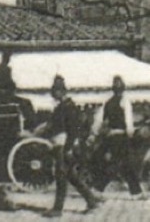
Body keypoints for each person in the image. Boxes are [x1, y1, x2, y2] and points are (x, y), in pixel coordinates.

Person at [36, 75, 102, 218]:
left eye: (56, 91)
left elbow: (72, 130)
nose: (54, 94)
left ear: (61, 91)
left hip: (64, 145)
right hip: (62, 144)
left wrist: (69, 148)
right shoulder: (63, 107)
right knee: (71, 176)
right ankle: (91, 202)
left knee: (61, 176)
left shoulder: (68, 108)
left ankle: (57, 209)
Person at [89, 75, 144, 199]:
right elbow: (128, 119)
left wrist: (94, 134)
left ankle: (136, 192)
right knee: (120, 164)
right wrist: (130, 134)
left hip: (110, 137)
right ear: (123, 88)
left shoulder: (107, 102)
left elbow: (98, 120)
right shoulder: (125, 101)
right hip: (121, 137)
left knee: (124, 164)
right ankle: (98, 188)